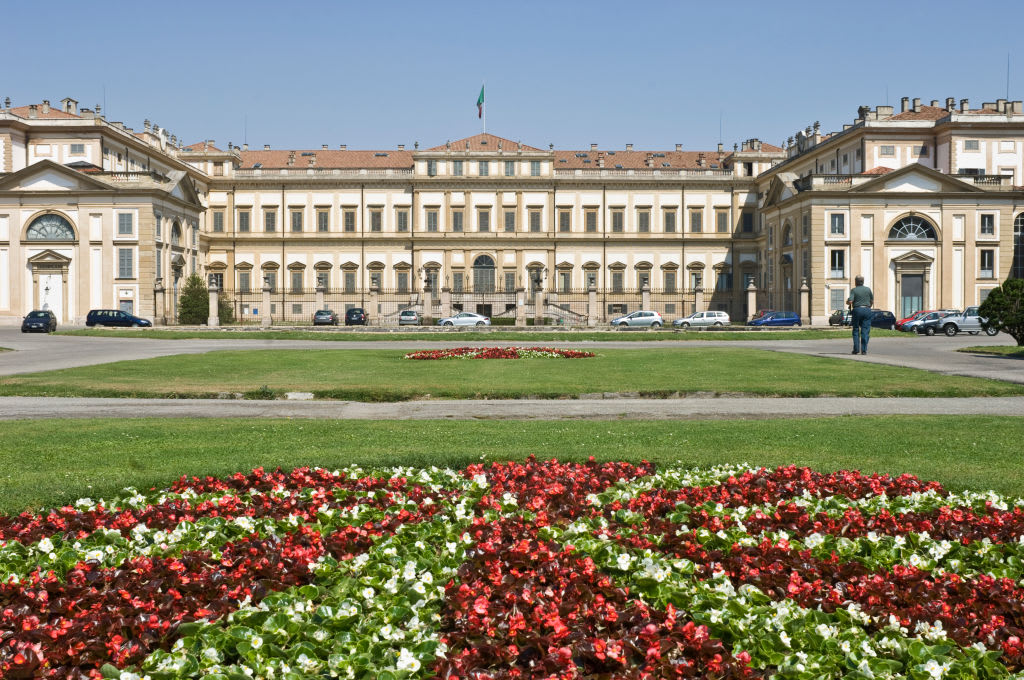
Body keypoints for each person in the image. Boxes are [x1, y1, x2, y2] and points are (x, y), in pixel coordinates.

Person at [847, 275, 874, 355]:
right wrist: (869, 306)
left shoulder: (854, 290)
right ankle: (864, 350)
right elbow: (871, 300)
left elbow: (850, 301)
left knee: (855, 329)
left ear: (856, 282)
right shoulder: (868, 289)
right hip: (867, 310)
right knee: (865, 330)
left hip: (857, 310)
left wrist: (848, 302)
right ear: (863, 281)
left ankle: (856, 349)